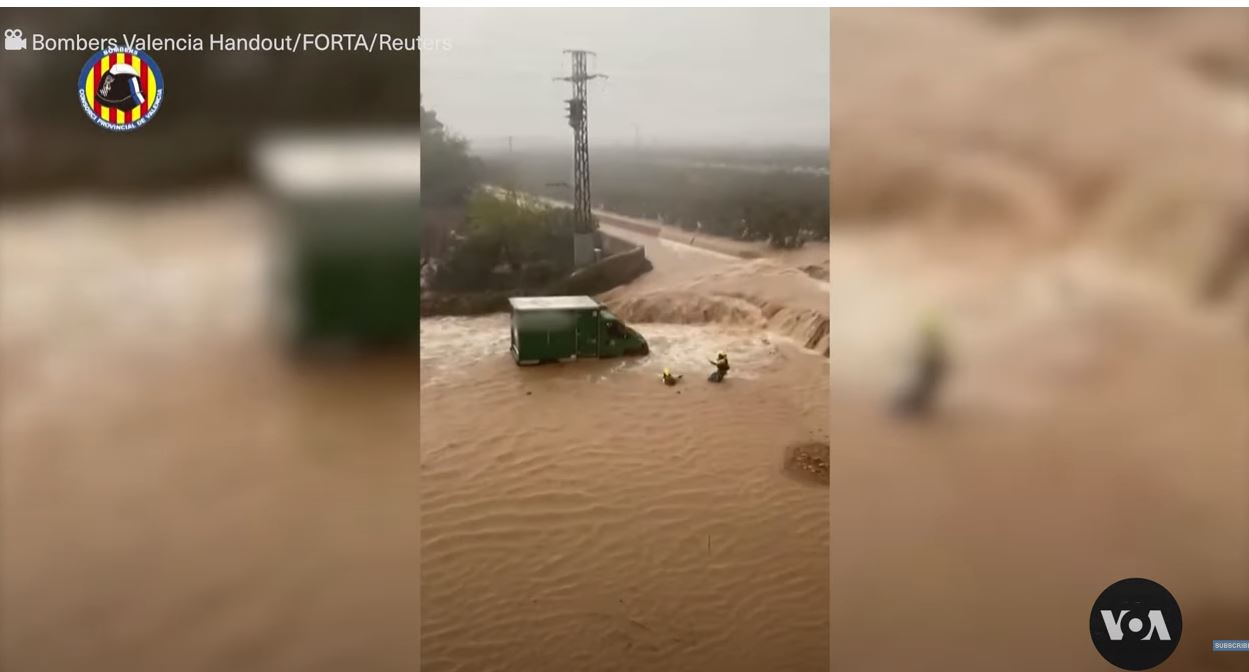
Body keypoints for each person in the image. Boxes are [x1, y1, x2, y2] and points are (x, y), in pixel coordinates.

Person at [892, 315, 948, 417]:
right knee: (918, 389)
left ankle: (910, 406)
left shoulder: (933, 343)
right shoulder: (929, 343)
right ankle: (910, 405)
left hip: (930, 368)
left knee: (920, 389)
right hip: (927, 369)